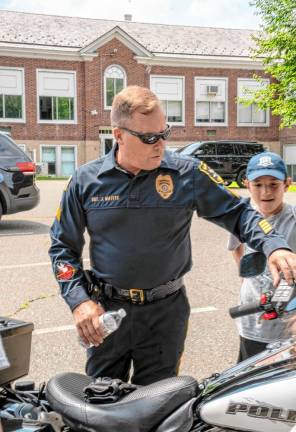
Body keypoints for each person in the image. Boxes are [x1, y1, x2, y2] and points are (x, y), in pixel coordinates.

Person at [49, 85, 296, 385]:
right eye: (149, 137)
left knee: (159, 403)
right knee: (101, 403)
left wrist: (275, 246)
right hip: (107, 312)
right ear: (118, 135)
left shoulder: (187, 174)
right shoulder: (86, 181)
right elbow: (62, 247)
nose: (160, 144)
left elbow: (239, 213)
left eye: (164, 133)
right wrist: (79, 302)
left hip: (165, 314)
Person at [228, 152, 296, 362]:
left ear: (287, 183)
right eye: (258, 184)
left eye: (273, 184)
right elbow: (236, 248)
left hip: (288, 327)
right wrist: (248, 278)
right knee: (248, 383)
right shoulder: (242, 217)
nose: (266, 192)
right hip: (250, 323)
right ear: (247, 184)